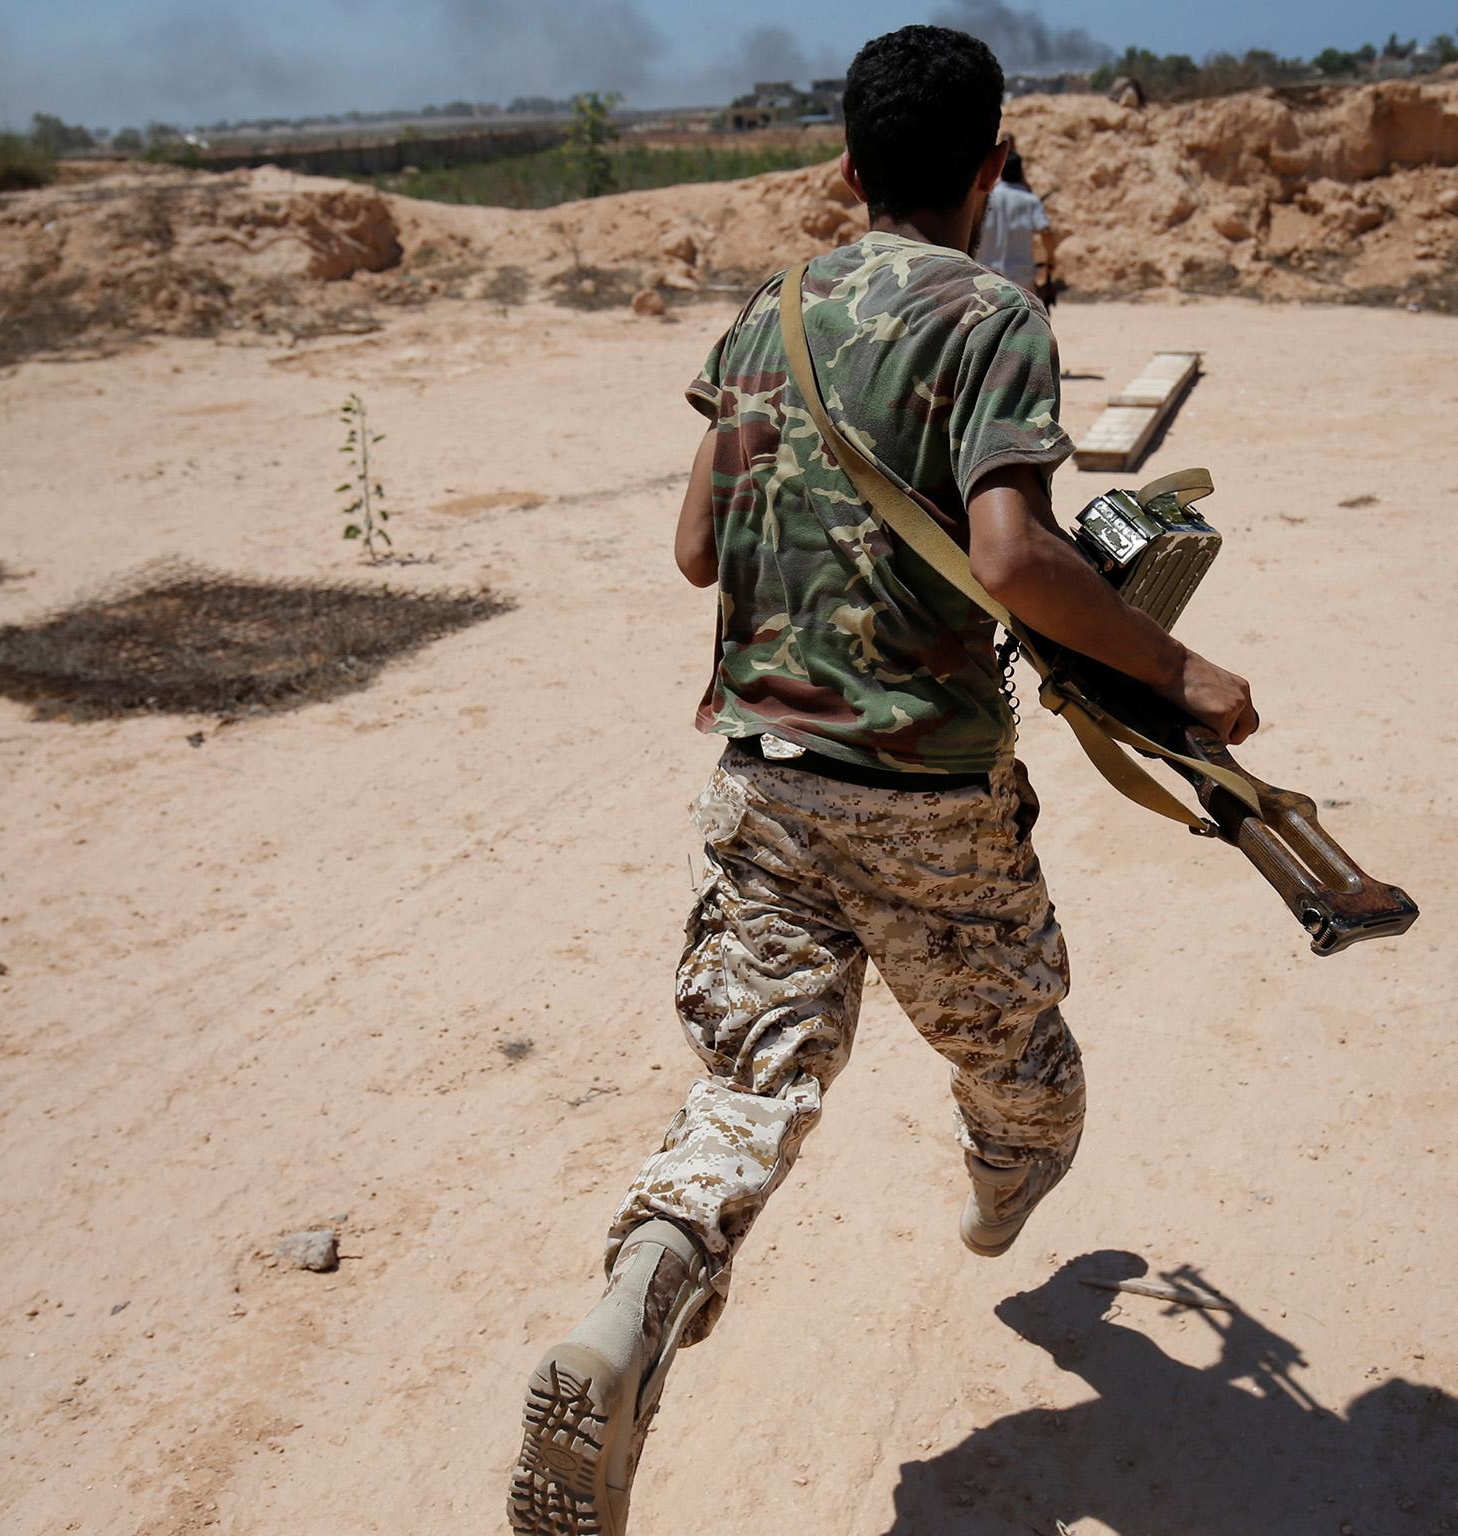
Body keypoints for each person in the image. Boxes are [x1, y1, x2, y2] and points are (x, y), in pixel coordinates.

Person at [506, 24, 1258, 1536]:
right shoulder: (998, 316)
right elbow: (1012, 557)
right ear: (991, 166)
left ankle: (639, 1296)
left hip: (767, 784)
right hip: (931, 803)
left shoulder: (763, 312)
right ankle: (1001, 1199)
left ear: (845, 169)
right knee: (1028, 1078)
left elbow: (694, 552)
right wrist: (1181, 673)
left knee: (751, 1082)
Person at [977, 144, 1059, 298]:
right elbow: (1045, 231)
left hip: (986, 275)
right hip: (1020, 278)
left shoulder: (985, 198)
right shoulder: (1030, 201)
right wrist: (1050, 260)